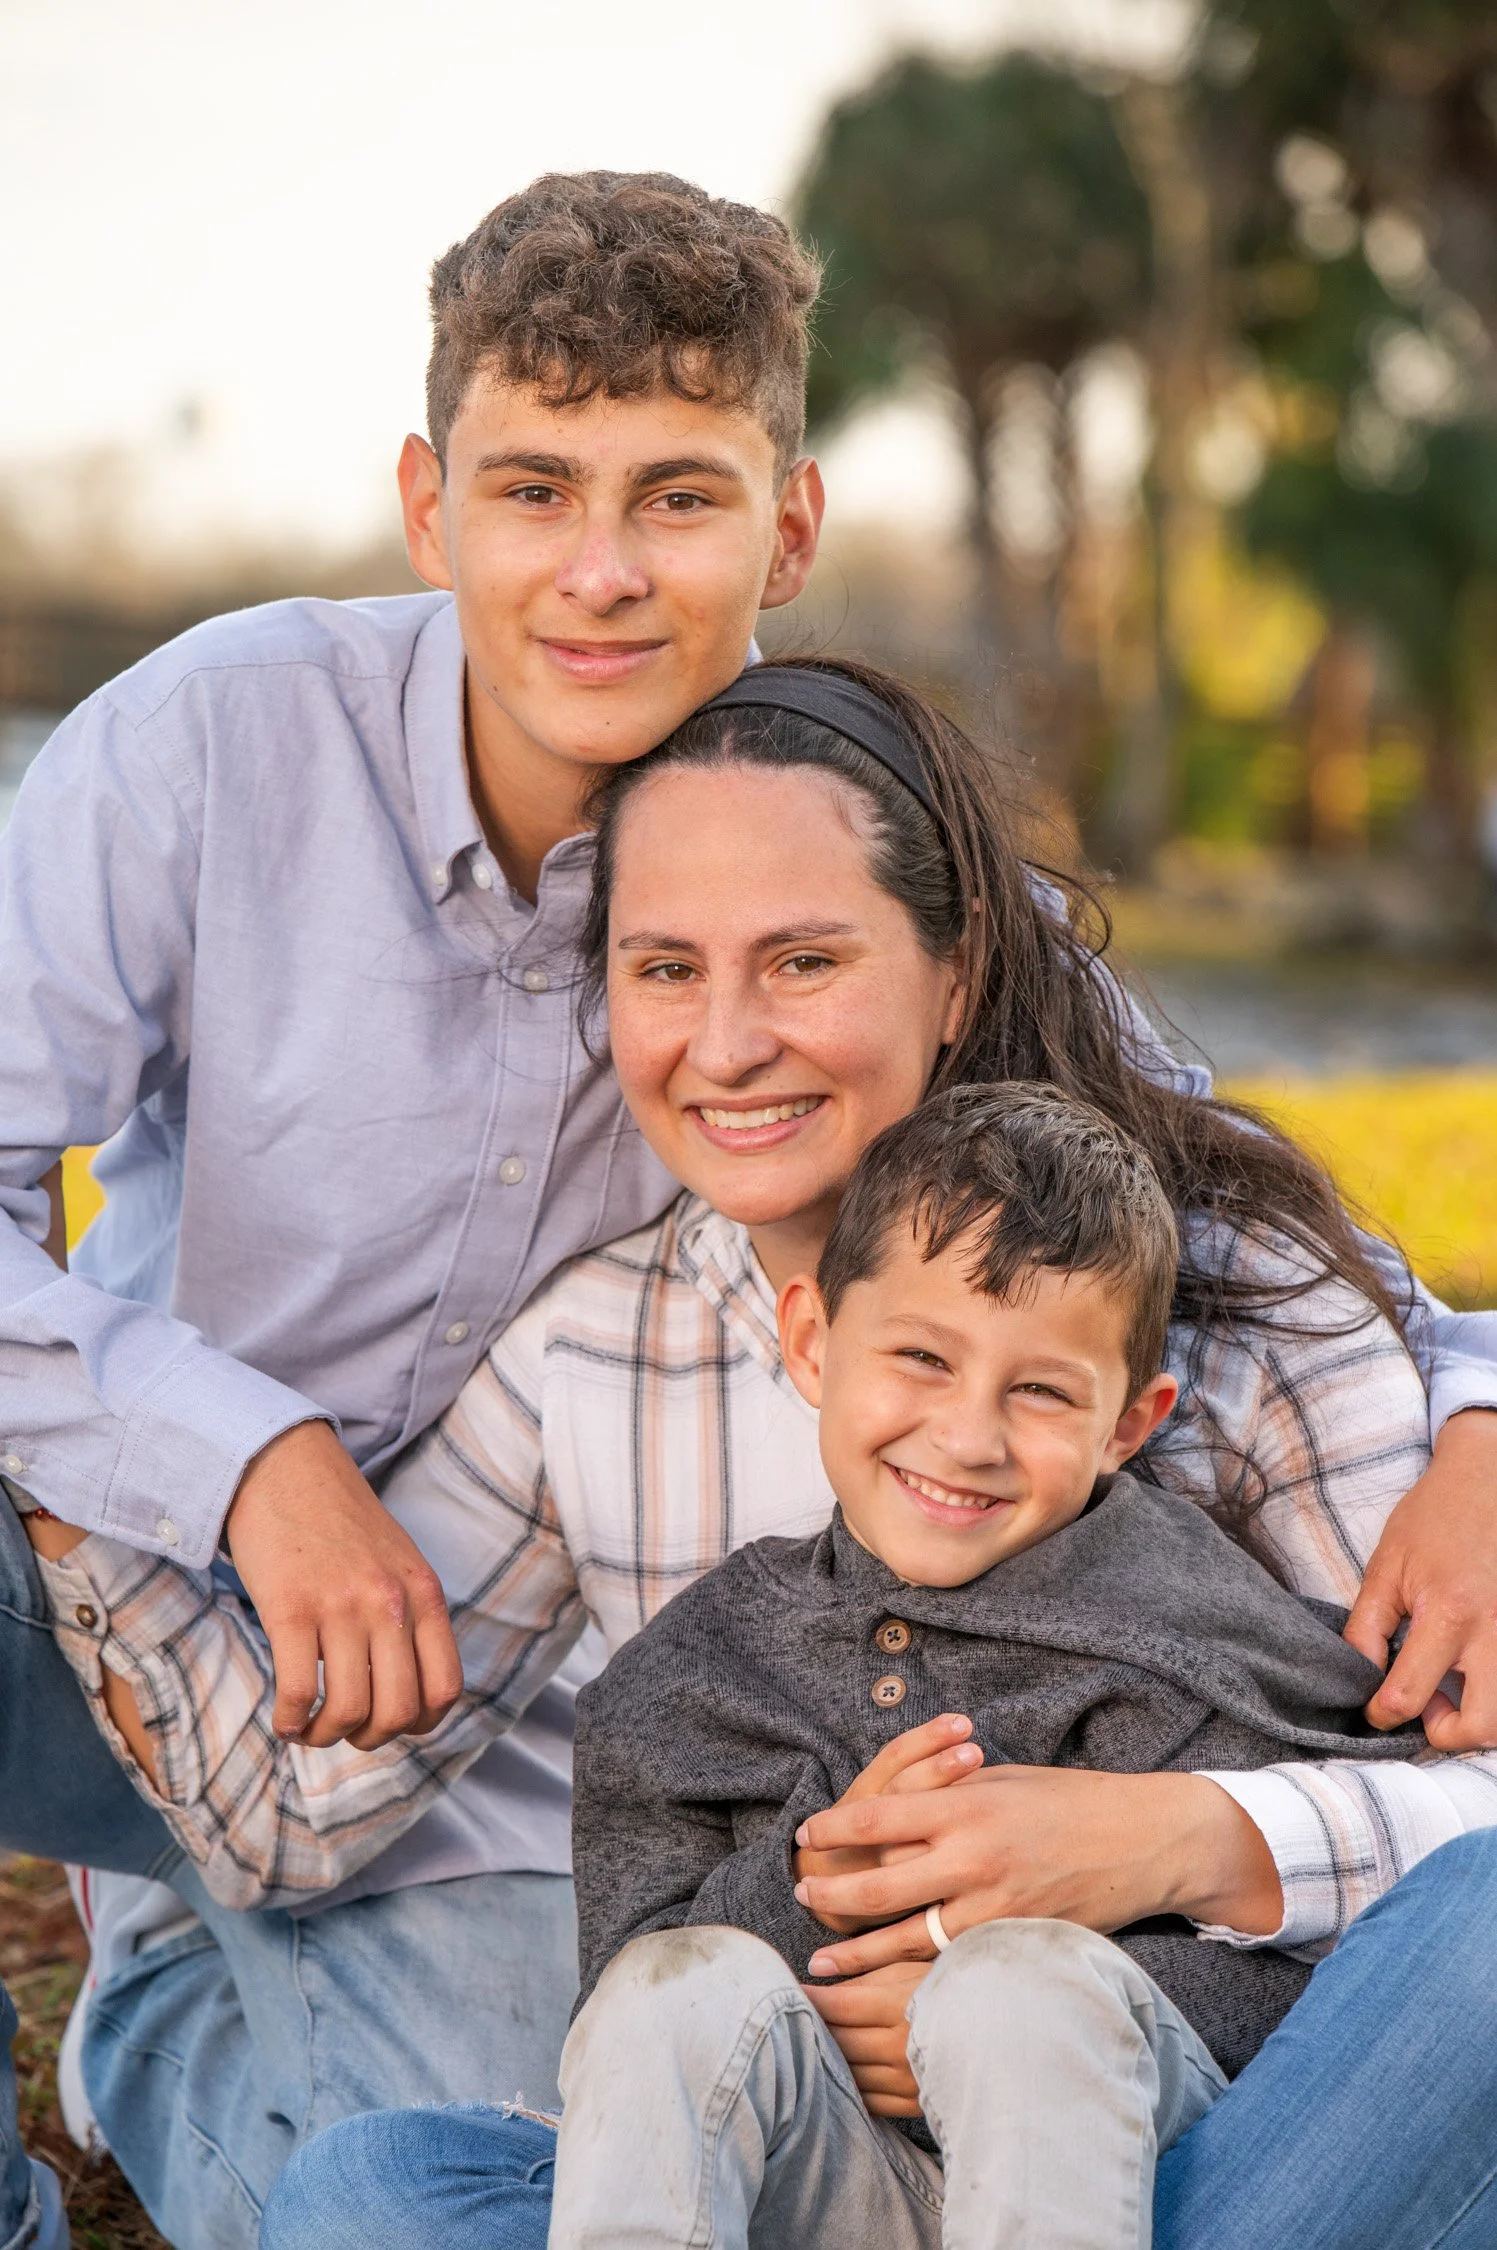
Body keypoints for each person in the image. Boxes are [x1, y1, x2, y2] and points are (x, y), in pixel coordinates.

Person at [30, 664, 1497, 2246]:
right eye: (666, 967)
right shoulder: (592, 1355)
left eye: (804, 960)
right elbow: (293, 1799)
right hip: (833, 2174)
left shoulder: (1216, 1291)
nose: (727, 1046)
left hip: (1236, 2152)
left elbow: (1467, 1804)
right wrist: (122, 1452)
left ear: (955, 970)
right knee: (370, 2192)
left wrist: (1180, 1840)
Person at [0, 169, 825, 2250]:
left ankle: (158, 2026)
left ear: (787, 530)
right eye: (534, 488)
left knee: (444, 2192)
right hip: (128, 1630)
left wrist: (1462, 1412)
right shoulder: (216, 742)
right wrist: (241, 1451)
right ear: (428, 505)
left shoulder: (842, 844)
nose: (601, 573)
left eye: (679, 496)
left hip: (522, 1771)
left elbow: (1183, 1176)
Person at [548, 1081, 1449, 2250]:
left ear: (1129, 1423)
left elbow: (1342, 1981)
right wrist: (814, 1882)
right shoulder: (691, 1676)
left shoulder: (1186, 1623)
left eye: (1038, 1391)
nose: (968, 1436)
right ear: (814, 1340)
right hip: (830, 2179)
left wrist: (975, 2006)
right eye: (922, 1357)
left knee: (1016, 1988)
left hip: (1144, 2176)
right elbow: (620, 2030)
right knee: (647, 2006)